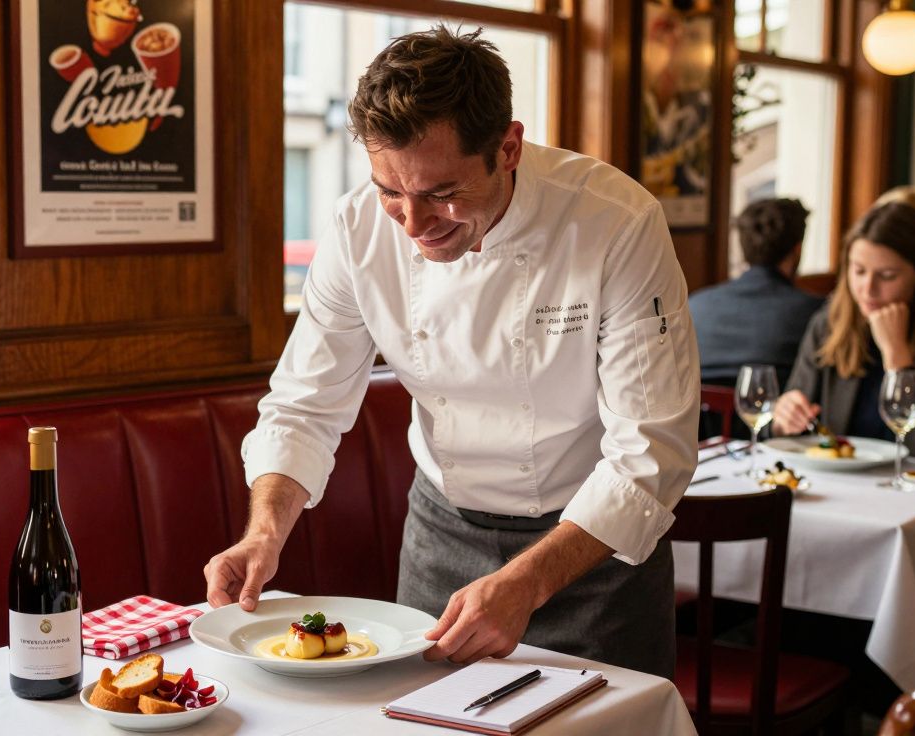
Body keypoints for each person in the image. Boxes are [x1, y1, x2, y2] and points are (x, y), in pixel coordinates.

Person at [203, 27, 698, 677]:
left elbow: (651, 453)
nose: (412, 224)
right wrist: (263, 532)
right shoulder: (357, 231)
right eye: (390, 191)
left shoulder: (614, 223)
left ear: (508, 147)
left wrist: (526, 582)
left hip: (592, 556)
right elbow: (304, 406)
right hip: (442, 539)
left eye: (442, 194)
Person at [774, 202, 915, 458]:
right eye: (859, 271)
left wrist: (898, 359)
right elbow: (796, 434)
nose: (867, 289)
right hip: (840, 487)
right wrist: (784, 419)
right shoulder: (829, 324)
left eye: (887, 275)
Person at [689, 198, 823, 389]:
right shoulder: (817, 314)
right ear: (797, 250)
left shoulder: (694, 307)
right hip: (777, 417)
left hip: (701, 418)